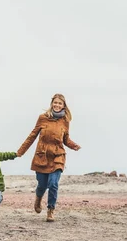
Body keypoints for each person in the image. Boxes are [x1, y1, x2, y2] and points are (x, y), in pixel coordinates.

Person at [16, 93, 81, 222]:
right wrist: (20, 151)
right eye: (55, 103)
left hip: (58, 156)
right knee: (42, 185)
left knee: (53, 184)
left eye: (60, 103)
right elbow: (32, 135)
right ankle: (38, 198)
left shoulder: (65, 121)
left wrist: (73, 145)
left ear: (63, 106)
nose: (57, 105)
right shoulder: (43, 118)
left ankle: (51, 210)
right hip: (42, 157)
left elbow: (66, 139)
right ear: (52, 104)